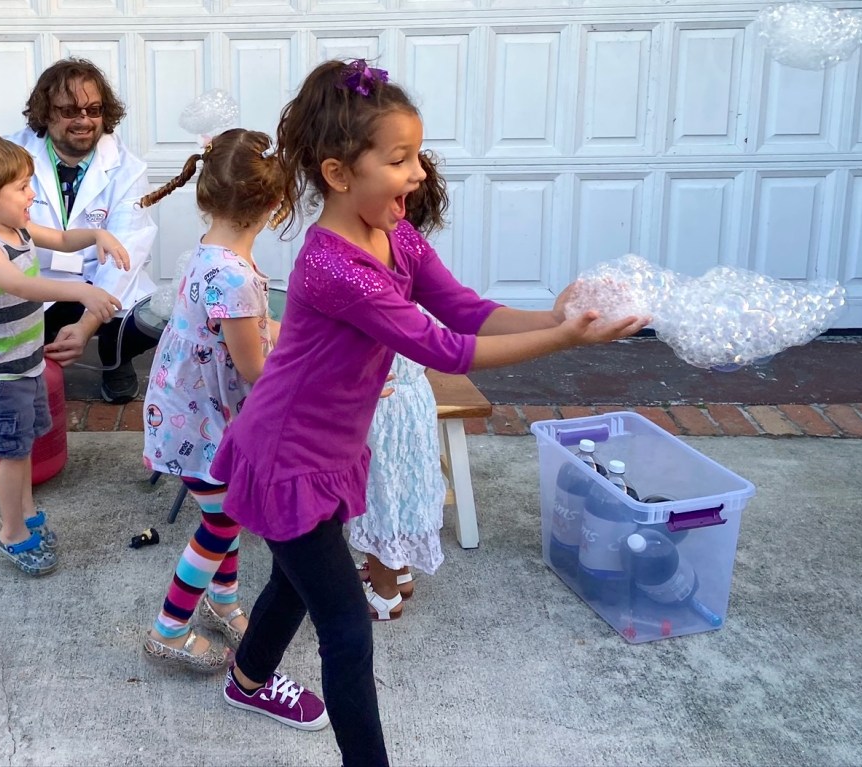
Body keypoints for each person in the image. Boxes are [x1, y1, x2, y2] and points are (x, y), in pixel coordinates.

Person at [207, 59, 649, 765]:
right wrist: (564, 339)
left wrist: (558, 314)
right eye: (400, 158)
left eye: (418, 154)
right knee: (348, 627)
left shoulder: (397, 234)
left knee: (296, 578)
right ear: (339, 173)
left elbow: (465, 309)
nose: (418, 174)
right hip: (285, 455)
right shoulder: (333, 264)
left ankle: (246, 678)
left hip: (327, 449)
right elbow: (445, 348)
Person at [135, 128, 322, 721]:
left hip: (186, 411)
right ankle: (169, 627)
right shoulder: (237, 277)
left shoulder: (208, 253)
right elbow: (254, 369)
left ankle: (222, 599)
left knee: (229, 507)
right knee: (222, 519)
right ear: (277, 206)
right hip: (201, 425)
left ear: (205, 195)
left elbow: (240, 341)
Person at [0, 133, 127, 576]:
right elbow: (23, 286)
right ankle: (11, 532)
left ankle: (25, 513)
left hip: (25, 366)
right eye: (23, 187)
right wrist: (81, 291)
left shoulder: (19, 229)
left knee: (22, 447)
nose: (32, 194)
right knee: (9, 452)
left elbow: (62, 239)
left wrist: (97, 233)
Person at [0, 58, 159, 404]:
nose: (84, 120)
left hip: (98, 279)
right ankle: (39, 362)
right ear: (45, 112)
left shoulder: (129, 169)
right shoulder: (6, 159)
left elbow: (125, 255)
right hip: (36, 276)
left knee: (149, 318)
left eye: (94, 109)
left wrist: (85, 326)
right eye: (69, 110)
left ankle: (115, 360)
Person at [351, 151, 450, 620]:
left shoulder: (376, 273)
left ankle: (385, 594)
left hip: (383, 404)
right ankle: (401, 573)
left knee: (380, 497)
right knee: (406, 488)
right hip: (413, 401)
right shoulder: (411, 268)